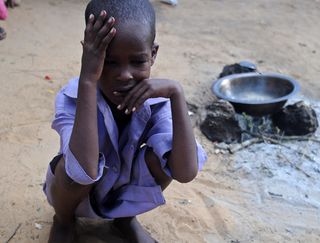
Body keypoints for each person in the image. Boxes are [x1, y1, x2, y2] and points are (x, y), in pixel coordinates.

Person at [43, 0, 207, 242]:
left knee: (163, 158)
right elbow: (81, 172)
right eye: (109, 62)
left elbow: (185, 172)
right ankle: (64, 221)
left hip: (121, 193)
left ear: (153, 55)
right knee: (67, 167)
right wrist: (88, 79)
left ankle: (125, 219)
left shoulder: (158, 103)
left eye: (138, 61)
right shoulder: (73, 96)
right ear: (89, 55)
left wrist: (176, 93)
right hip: (76, 197)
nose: (124, 75)